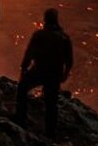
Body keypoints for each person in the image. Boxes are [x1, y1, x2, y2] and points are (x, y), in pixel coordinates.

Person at [15, 8, 74, 137]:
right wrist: (64, 74)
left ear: (45, 19)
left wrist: (24, 68)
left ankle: (20, 119)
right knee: (51, 103)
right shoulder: (64, 37)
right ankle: (50, 133)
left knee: (22, 89)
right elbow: (69, 60)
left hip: (39, 71)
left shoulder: (39, 35)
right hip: (54, 74)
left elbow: (29, 53)